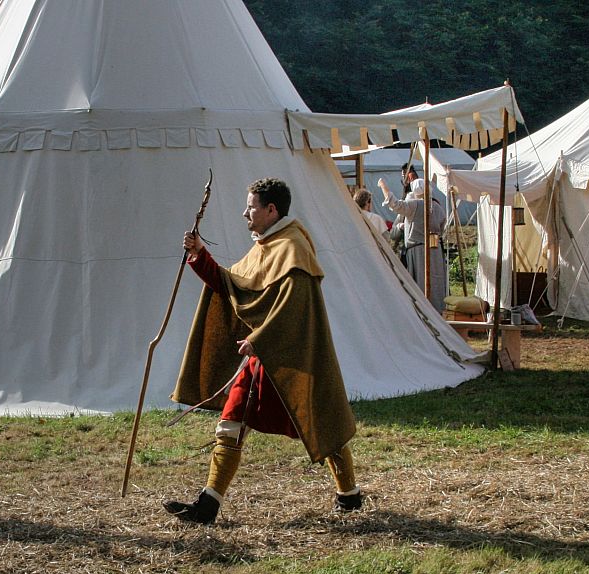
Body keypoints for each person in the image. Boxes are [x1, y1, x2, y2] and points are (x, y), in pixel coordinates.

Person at [163, 177, 361, 524]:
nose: (245, 213)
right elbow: (234, 285)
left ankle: (349, 495)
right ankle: (208, 505)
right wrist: (200, 256)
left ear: (271, 210)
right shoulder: (265, 245)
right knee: (231, 420)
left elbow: (295, 305)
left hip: (292, 359)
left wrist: (261, 339)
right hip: (260, 359)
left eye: (251, 207)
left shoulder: (293, 247)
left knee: (321, 422)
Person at [377, 176, 447, 310]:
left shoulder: (416, 204)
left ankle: (424, 313)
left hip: (419, 251)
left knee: (420, 285)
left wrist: (383, 186)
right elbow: (442, 227)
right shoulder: (437, 206)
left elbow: (395, 204)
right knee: (435, 282)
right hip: (435, 250)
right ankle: (438, 312)